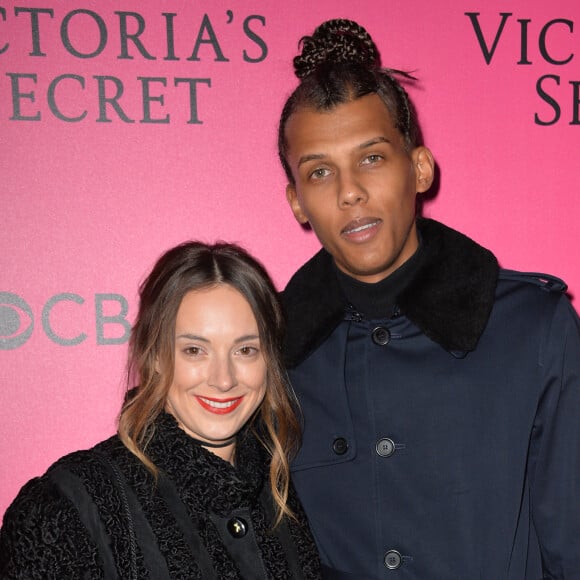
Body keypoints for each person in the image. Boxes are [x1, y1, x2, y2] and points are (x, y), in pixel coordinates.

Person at [277, 18, 580, 580]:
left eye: (371, 158)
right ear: (297, 201)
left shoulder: (535, 328)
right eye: (320, 172)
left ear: (418, 167)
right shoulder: (267, 351)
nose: (349, 192)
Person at [0, 242, 321, 579]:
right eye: (195, 350)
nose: (224, 379)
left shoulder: (287, 487)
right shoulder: (71, 508)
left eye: (245, 349)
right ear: (154, 355)